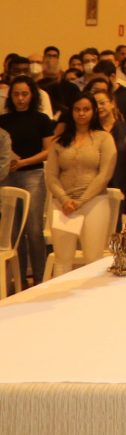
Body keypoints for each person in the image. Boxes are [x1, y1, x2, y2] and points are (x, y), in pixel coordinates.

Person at [43, 92, 117, 276]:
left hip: (94, 202)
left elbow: (104, 175)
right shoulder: (60, 141)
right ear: (72, 112)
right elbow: (51, 175)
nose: (81, 113)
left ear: (93, 112)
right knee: (62, 260)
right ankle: (60, 301)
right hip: (63, 204)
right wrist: (64, 199)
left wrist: (81, 201)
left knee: (93, 259)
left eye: (86, 109)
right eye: (77, 109)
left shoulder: (104, 138)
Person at [1, 75, 55, 286]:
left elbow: (48, 151)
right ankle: (20, 280)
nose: (20, 99)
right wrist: (10, 160)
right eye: (16, 94)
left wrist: (22, 163)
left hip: (33, 174)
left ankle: (41, 279)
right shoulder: (3, 120)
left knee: (33, 229)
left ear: (32, 95)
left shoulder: (41, 119)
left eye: (24, 94)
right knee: (13, 232)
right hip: (8, 175)